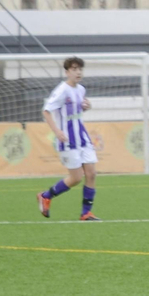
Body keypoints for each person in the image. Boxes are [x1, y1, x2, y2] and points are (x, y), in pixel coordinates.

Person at [38, 57, 99, 221]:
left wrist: (86, 107)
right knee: (76, 178)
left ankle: (86, 213)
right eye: (74, 69)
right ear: (67, 72)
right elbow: (46, 111)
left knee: (91, 174)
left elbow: (75, 112)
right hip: (68, 141)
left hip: (83, 138)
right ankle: (46, 196)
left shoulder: (81, 90)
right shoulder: (62, 90)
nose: (78, 72)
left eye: (80, 69)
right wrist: (57, 131)